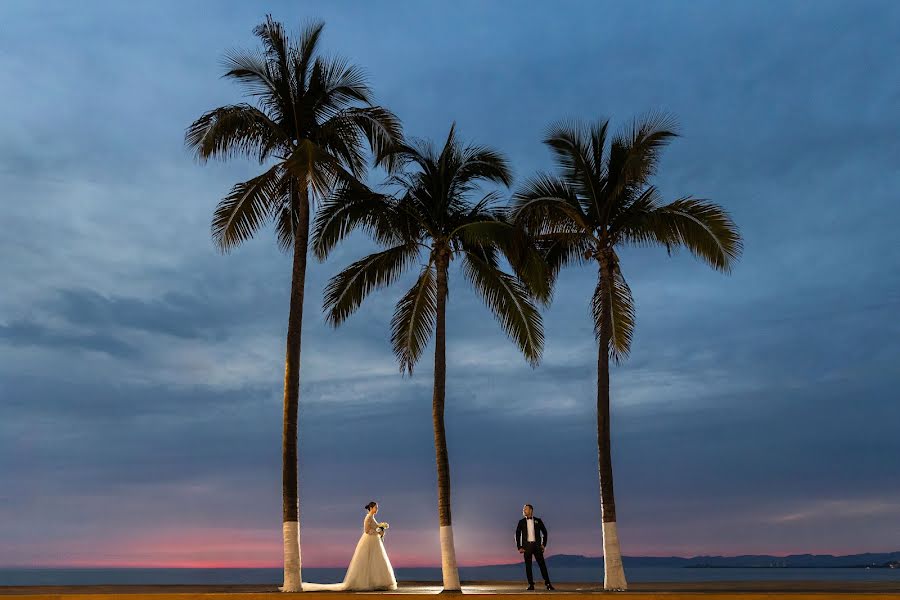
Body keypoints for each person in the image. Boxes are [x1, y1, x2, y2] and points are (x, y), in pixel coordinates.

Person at [300, 501, 398, 591]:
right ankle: (369, 582)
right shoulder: (368, 517)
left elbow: (374, 528)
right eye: (376, 507)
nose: (377, 509)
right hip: (369, 540)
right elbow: (367, 531)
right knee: (369, 560)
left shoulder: (372, 517)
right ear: (371, 508)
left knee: (376, 560)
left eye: (377, 508)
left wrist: (380, 530)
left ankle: (377, 581)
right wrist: (377, 532)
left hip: (374, 541)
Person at [515, 504, 554, 591]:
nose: (524, 510)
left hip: (537, 546)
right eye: (523, 509)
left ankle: (548, 584)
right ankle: (531, 585)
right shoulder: (521, 522)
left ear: (531, 510)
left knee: (542, 565)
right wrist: (519, 547)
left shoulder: (538, 521)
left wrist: (543, 544)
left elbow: (545, 533)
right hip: (526, 547)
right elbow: (517, 535)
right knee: (528, 566)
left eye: (526, 509)